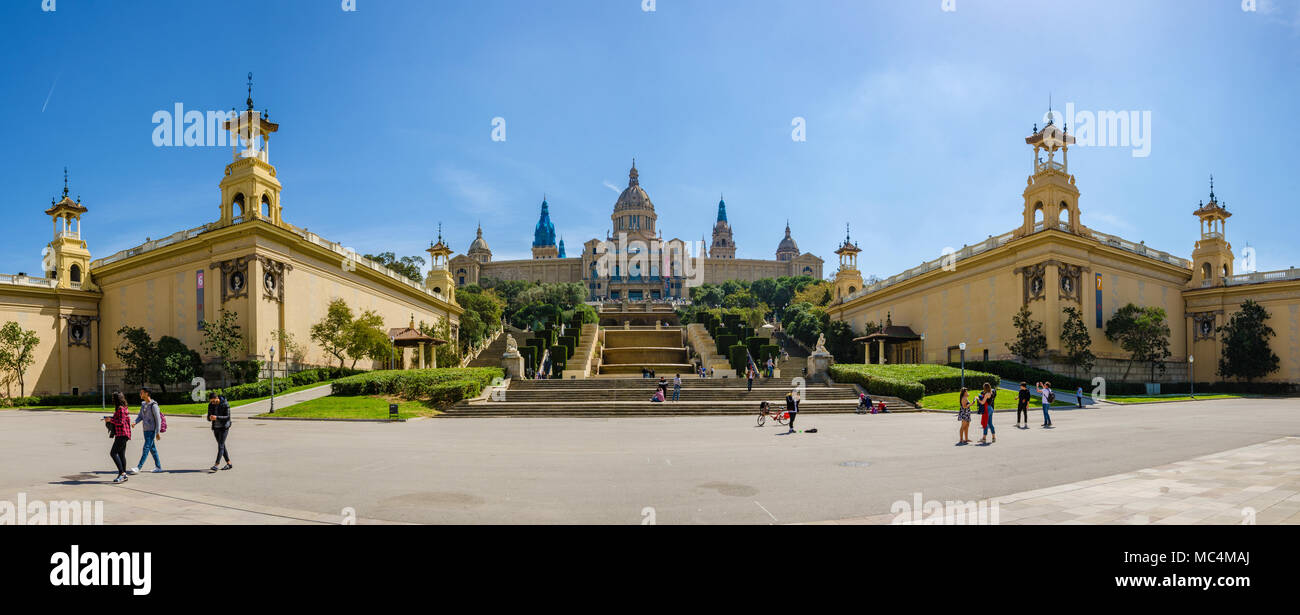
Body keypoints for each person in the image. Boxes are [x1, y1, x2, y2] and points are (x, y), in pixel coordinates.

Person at [129, 387, 163, 474]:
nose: (140, 394)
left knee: (146, 448)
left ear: (147, 393)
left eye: (142, 392)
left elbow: (158, 419)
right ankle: (158, 467)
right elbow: (140, 416)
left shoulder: (154, 405)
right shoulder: (144, 404)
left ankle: (138, 467)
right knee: (152, 449)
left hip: (151, 431)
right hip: (145, 430)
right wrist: (135, 422)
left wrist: (157, 432)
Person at [103, 392, 132, 484]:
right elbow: (120, 419)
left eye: (113, 398)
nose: (112, 400)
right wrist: (111, 418)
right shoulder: (123, 408)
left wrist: (110, 420)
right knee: (121, 454)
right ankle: (124, 475)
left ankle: (122, 473)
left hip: (122, 434)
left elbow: (120, 422)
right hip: (123, 434)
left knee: (113, 453)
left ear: (117, 399)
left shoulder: (120, 409)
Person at [207, 392, 233, 471]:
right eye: (211, 401)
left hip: (224, 427)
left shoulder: (225, 404)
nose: (213, 403)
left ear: (217, 398)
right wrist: (209, 418)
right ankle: (229, 463)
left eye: (214, 401)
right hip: (215, 428)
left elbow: (227, 417)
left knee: (221, 445)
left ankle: (216, 464)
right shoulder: (211, 405)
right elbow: (208, 417)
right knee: (222, 446)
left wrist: (217, 417)